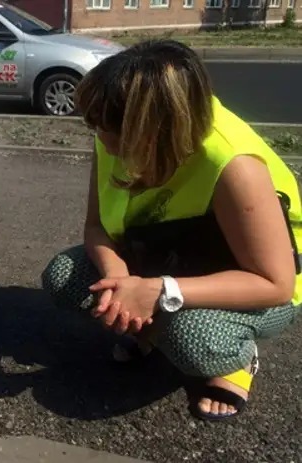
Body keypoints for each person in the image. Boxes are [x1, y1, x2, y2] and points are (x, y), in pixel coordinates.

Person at [41, 39, 301, 421]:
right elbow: (97, 226)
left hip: (249, 282)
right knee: (64, 277)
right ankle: (151, 330)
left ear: (150, 129)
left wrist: (160, 291)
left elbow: (275, 284)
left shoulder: (234, 166)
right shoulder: (114, 133)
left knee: (194, 340)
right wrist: (121, 284)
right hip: (163, 255)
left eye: (104, 128)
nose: (97, 137)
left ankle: (236, 359)